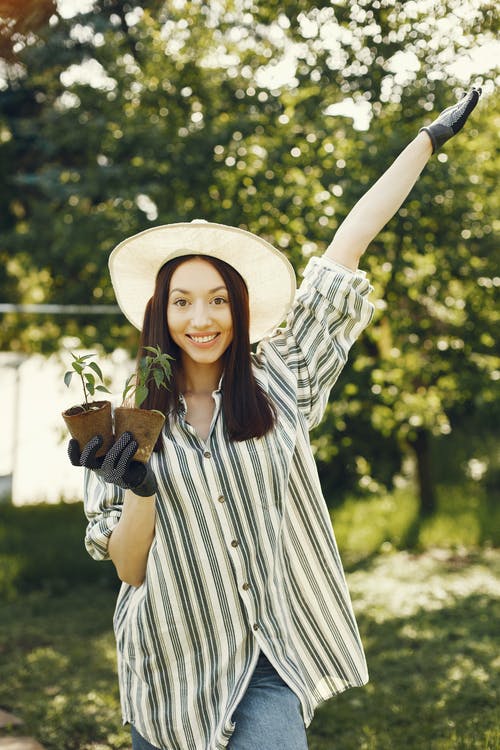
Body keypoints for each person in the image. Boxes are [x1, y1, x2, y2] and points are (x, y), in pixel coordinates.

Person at [68, 87, 481, 750]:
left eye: (216, 301)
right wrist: (140, 486)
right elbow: (126, 567)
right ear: (161, 312)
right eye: (181, 302)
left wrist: (426, 140)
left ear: (240, 307)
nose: (199, 319)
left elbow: (347, 246)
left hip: (269, 663)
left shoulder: (283, 377)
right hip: (168, 669)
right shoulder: (123, 418)